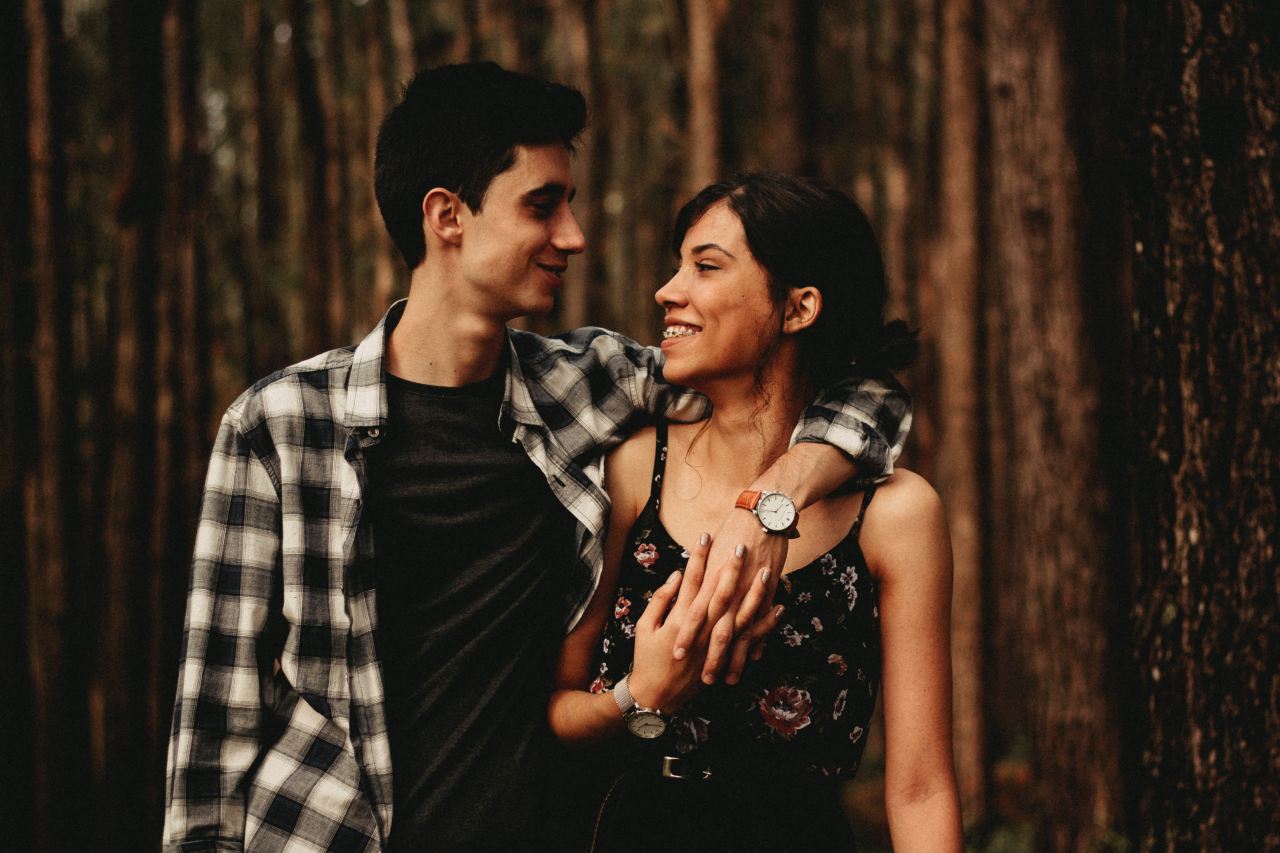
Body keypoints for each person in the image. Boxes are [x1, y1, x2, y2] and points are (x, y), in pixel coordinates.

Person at [161, 65, 912, 853]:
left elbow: (857, 392)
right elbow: (215, 728)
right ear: (447, 215)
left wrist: (773, 504)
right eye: (542, 205)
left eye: (572, 205)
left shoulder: (583, 390)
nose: (573, 236)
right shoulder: (280, 426)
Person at [549, 173, 963, 851]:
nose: (667, 289)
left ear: (799, 308)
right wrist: (639, 693)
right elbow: (559, 710)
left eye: (705, 266)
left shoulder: (896, 513)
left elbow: (920, 786)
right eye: (676, 264)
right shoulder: (632, 468)